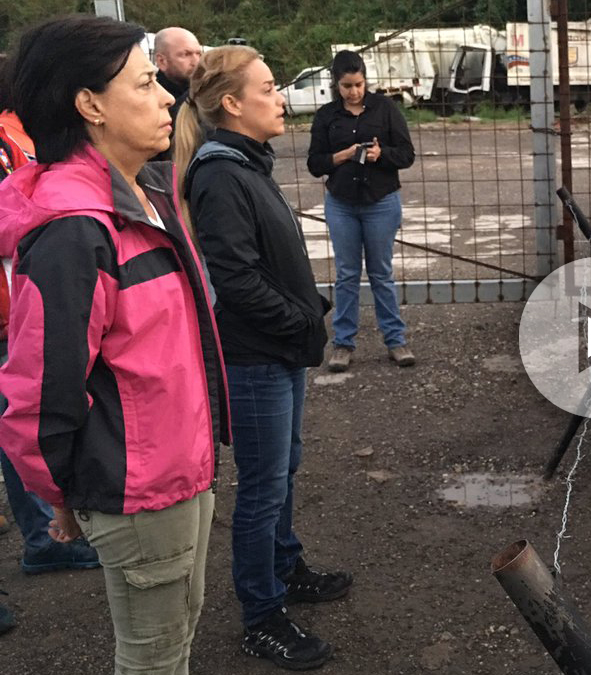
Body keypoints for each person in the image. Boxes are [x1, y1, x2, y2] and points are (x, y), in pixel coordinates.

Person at [0, 14, 228, 671]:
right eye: (146, 82)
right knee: (154, 657)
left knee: (176, 637)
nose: (166, 97)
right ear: (90, 104)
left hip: (183, 471)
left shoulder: (145, 192)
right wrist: (65, 495)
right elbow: (37, 400)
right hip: (138, 489)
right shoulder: (76, 233)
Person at [176, 45, 351, 670]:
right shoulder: (221, 173)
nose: (281, 97)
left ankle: (285, 566)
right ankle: (262, 614)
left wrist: (304, 313)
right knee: (261, 486)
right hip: (255, 357)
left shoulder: (246, 163)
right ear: (232, 103)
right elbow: (237, 278)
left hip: (278, 350)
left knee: (284, 468)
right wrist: (301, 319)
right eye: (270, 87)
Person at [0, 78, 101, 580]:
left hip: (14, 305)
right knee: (26, 414)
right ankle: (46, 532)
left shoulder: (16, 130)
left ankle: (45, 534)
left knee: (22, 413)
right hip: (13, 304)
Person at [308, 50, 416, 373]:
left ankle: (396, 340)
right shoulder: (326, 116)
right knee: (347, 274)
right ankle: (343, 343)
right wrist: (341, 156)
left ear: (366, 79)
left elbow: (407, 155)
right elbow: (315, 164)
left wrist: (381, 154)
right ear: (335, 83)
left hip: (381, 202)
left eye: (358, 84)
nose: (353, 91)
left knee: (381, 272)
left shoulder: (386, 109)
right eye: (346, 86)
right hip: (341, 203)